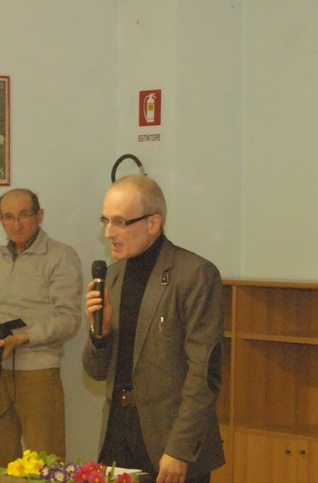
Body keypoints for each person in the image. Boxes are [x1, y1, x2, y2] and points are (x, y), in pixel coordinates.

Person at [82, 174, 225, 483]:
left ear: (153, 223)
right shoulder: (112, 277)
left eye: (120, 222)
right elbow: (94, 371)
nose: (109, 233)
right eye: (105, 220)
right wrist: (100, 332)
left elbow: (204, 375)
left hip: (171, 444)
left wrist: (180, 450)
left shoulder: (195, 275)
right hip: (118, 435)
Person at [0, 188, 82, 483]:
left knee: (46, 462)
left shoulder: (60, 256)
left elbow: (69, 320)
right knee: (0, 460)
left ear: (39, 215)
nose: (16, 224)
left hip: (38, 372)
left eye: (23, 215)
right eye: (8, 217)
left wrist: (22, 338)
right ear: (0, 220)